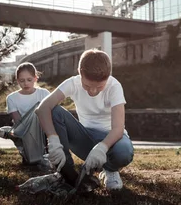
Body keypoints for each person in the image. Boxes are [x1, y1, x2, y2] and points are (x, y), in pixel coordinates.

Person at [35, 49, 133, 191]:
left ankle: (110, 170)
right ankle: (66, 172)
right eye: (87, 86)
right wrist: (53, 140)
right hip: (84, 137)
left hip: (111, 140)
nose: (92, 91)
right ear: (79, 73)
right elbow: (42, 108)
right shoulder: (73, 83)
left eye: (99, 87)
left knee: (124, 152)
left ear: (108, 76)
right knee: (55, 111)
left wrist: (102, 147)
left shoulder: (114, 86)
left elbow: (118, 129)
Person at [0, 62, 50, 165]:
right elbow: (18, 121)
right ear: (18, 81)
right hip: (23, 128)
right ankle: (18, 139)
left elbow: (51, 115)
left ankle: (11, 134)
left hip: (42, 127)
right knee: (34, 160)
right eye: (22, 81)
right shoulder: (12, 98)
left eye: (29, 80)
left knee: (38, 109)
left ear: (35, 78)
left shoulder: (44, 93)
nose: (26, 83)